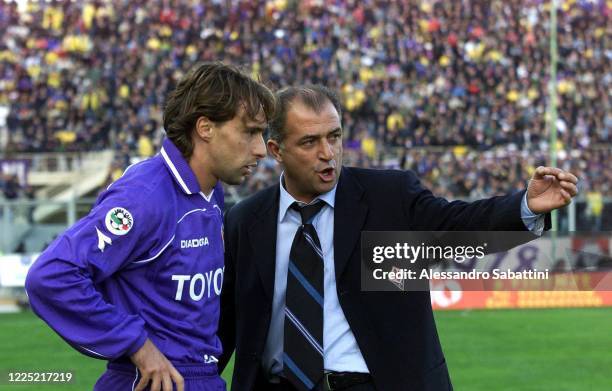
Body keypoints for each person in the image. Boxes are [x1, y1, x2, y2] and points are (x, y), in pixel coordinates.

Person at [218, 85, 579, 391]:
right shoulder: (246, 220)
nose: (327, 154)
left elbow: (457, 226)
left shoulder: (387, 197)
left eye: (334, 137)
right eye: (310, 142)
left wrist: (525, 206)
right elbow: (222, 327)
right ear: (276, 150)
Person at [25, 62, 275, 391]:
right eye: (250, 131)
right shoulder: (144, 197)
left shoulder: (209, 192)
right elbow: (50, 277)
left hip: (202, 379)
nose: (260, 149)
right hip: (149, 381)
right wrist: (137, 346)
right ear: (205, 128)